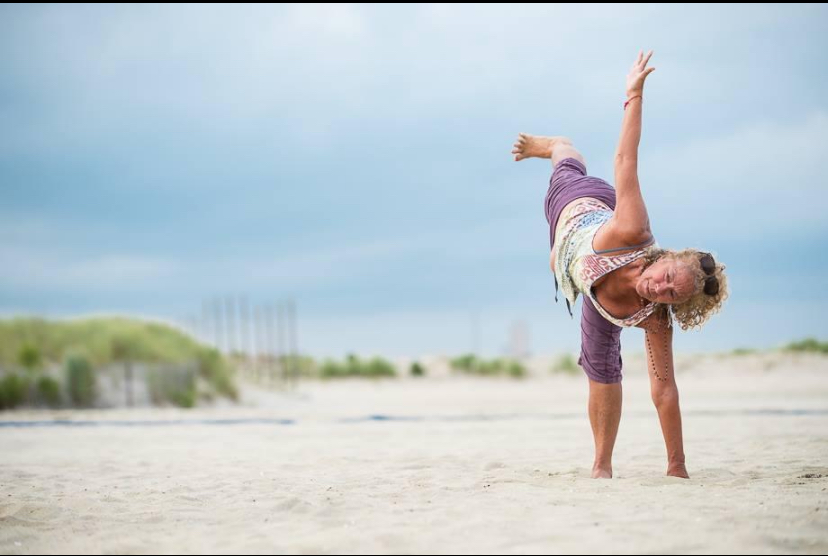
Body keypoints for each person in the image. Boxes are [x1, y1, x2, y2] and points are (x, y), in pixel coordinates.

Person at [511, 50, 728, 479]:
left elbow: (664, 390)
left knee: (602, 365)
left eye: (670, 295)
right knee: (566, 164)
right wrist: (633, 96)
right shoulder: (634, 230)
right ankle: (556, 144)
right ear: (663, 258)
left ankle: (600, 466)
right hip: (581, 206)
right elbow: (626, 160)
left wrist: (677, 467)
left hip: (596, 295)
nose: (659, 289)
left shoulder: (655, 318)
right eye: (665, 278)